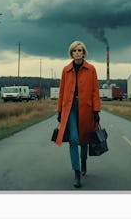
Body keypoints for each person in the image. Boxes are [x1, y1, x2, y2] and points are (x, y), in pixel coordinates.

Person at [56, 40, 101, 188]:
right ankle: (76, 172)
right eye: (74, 50)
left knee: (84, 139)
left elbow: (95, 90)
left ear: (83, 53)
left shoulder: (91, 69)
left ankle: (83, 161)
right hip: (70, 108)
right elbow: (62, 92)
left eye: (80, 50)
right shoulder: (66, 70)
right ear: (71, 53)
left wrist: (96, 110)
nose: (77, 53)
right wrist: (59, 111)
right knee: (74, 139)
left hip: (86, 108)